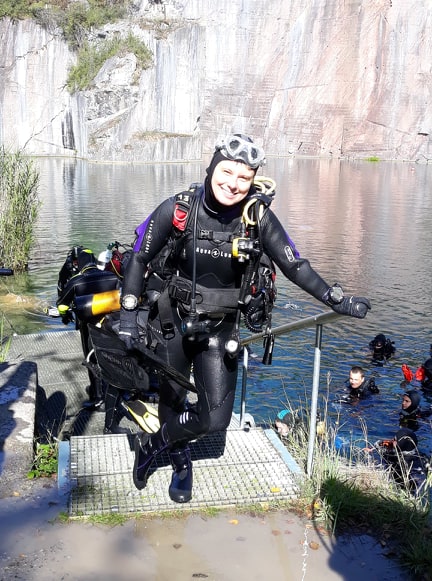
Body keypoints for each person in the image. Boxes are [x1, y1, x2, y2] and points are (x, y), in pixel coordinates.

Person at [118, 133, 371, 503]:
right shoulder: (179, 209)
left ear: (253, 180)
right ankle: (180, 461)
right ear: (211, 169)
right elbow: (139, 255)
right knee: (172, 399)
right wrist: (128, 314)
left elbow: (295, 265)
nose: (233, 184)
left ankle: (152, 445)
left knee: (214, 419)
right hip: (172, 320)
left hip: (221, 329)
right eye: (226, 172)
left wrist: (335, 299)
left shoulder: (257, 219)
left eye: (244, 177)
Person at [57, 247, 120, 411]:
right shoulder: (111, 276)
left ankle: (98, 398)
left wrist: (65, 317)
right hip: (111, 324)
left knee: (92, 359)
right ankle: (114, 393)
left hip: (89, 327)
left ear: (80, 264)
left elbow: (62, 305)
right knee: (111, 358)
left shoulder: (76, 280)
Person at [369, 428, 430, 496]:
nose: (392, 441)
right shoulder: (423, 458)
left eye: (394, 440)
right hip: (421, 486)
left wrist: (378, 448)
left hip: (404, 490)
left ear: (399, 444)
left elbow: (373, 454)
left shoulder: (393, 459)